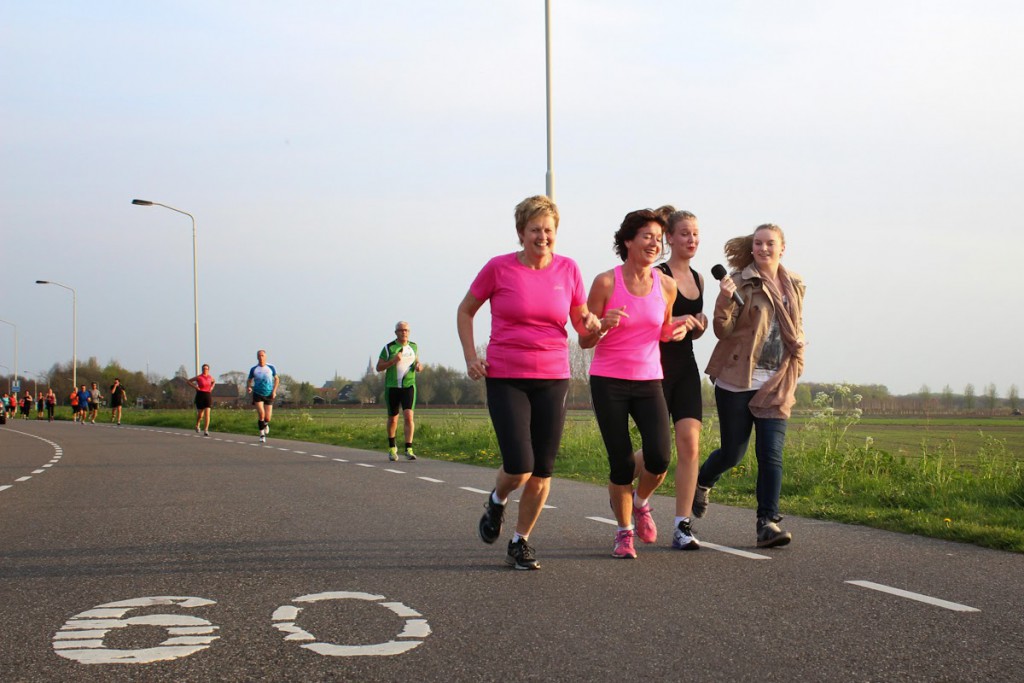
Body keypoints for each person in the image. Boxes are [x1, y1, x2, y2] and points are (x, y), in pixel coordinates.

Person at [458, 195, 601, 570]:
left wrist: (597, 325)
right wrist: (472, 357)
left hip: (553, 377)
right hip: (506, 375)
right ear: (521, 233)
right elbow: (465, 310)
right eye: (535, 229)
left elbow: (581, 322)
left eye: (549, 230)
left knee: (543, 469)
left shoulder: (569, 270)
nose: (543, 236)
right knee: (520, 464)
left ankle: (520, 542)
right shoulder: (499, 268)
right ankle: (496, 500)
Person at [580, 208, 689, 559]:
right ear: (627, 241)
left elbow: (662, 330)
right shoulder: (605, 282)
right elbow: (583, 339)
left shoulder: (667, 285)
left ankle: (640, 503)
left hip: (648, 380)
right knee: (622, 464)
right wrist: (601, 325)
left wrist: (679, 329)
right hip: (608, 380)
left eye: (658, 239)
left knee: (659, 457)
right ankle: (624, 531)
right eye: (647, 236)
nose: (654, 244)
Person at [694, 223, 806, 548]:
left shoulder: (795, 285)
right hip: (737, 380)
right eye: (758, 243)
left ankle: (766, 523)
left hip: (777, 381)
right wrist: (725, 299)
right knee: (733, 453)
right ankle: (703, 481)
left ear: (782, 247)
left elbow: (795, 328)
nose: (763, 248)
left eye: (770, 243)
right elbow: (722, 331)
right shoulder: (739, 282)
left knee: (770, 454)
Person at [642, 207, 708, 551]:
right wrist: (677, 322)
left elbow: (689, 332)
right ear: (669, 237)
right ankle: (627, 484)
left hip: (686, 368)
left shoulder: (699, 279)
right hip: (656, 367)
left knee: (690, 443)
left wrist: (699, 325)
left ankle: (682, 525)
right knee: (659, 452)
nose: (691, 239)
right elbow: (649, 324)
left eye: (695, 234)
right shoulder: (656, 275)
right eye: (684, 233)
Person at [377, 322, 423, 461]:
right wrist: (393, 361)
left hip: (409, 386)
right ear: (396, 332)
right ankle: (392, 448)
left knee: (409, 416)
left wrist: (419, 366)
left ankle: (409, 448)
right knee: (393, 419)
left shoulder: (413, 346)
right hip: (392, 387)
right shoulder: (388, 347)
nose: (404, 332)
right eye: (401, 330)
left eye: (406, 330)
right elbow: (379, 367)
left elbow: (416, 362)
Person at [246, 349, 279, 444]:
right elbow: (249, 380)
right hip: (257, 393)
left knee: (267, 417)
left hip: (269, 394)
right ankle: (262, 435)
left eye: (262, 355)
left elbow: (277, 379)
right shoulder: (254, 369)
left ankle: (265, 424)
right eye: (259, 356)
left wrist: (274, 391)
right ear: (257, 357)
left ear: (265, 356)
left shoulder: (271, 367)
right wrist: (249, 387)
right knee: (261, 414)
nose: (261, 357)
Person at [188, 364, 216, 436]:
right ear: (202, 369)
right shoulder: (199, 377)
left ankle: (206, 430)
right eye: (203, 369)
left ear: (208, 370)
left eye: (206, 369)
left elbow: (214, 381)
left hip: (207, 395)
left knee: (208, 414)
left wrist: (212, 387)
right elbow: (188, 381)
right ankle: (197, 425)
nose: (205, 370)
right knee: (200, 415)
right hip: (200, 395)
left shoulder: (210, 377)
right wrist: (195, 387)